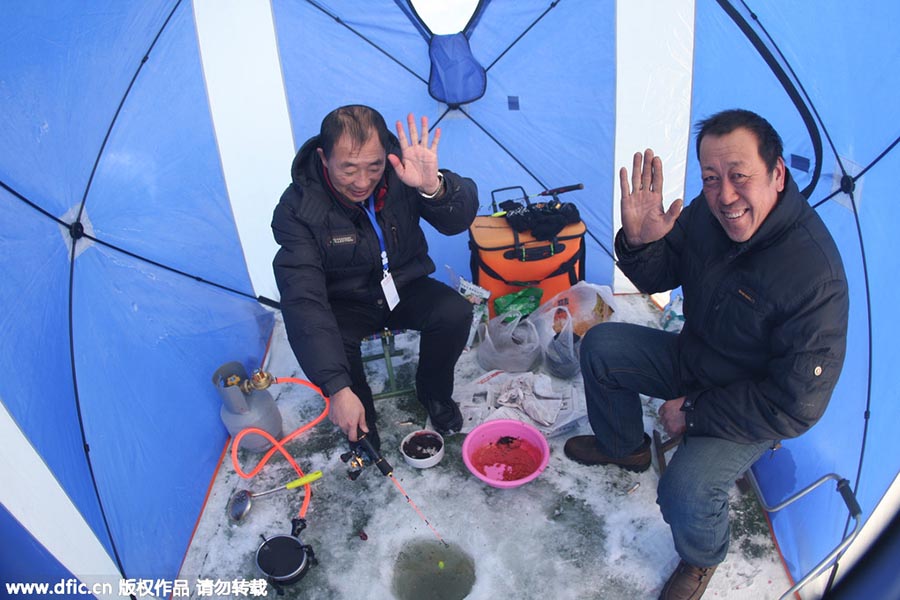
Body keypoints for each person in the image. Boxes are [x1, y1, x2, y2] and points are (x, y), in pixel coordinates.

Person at [564, 109, 849, 600]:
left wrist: (693, 413)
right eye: (711, 179)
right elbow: (658, 274)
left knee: (685, 491)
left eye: (740, 177)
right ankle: (626, 446)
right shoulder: (708, 213)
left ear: (777, 174)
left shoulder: (814, 276)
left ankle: (700, 559)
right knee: (601, 346)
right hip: (693, 359)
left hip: (751, 405)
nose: (725, 196)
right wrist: (638, 242)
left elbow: (794, 405)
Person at [272, 105, 478, 452]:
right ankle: (359, 420)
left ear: (386, 154)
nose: (362, 181)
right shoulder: (297, 209)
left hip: (403, 285)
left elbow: (457, 221)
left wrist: (434, 187)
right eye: (348, 169)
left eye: (374, 166)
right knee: (334, 343)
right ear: (324, 158)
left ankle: (434, 393)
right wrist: (336, 388)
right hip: (343, 302)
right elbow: (303, 299)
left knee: (454, 312)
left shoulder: (403, 174)